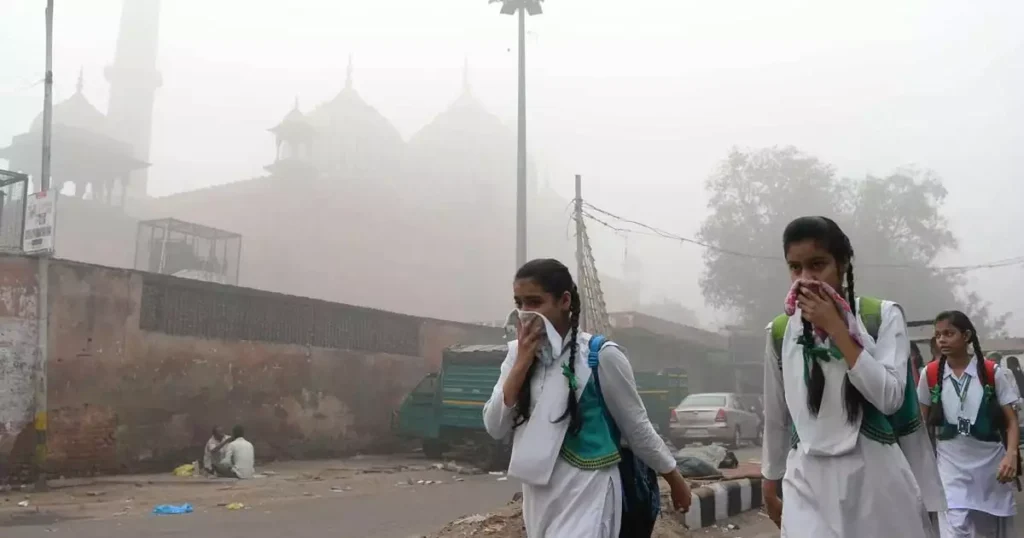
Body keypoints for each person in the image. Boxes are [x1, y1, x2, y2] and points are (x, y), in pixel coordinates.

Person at [482, 258, 691, 538]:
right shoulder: (515, 356)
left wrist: (674, 478)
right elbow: (495, 426)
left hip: (590, 489)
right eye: (519, 303)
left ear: (564, 300)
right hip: (538, 496)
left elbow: (636, 426)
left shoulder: (600, 355)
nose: (525, 313)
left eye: (535, 302)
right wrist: (521, 363)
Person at [761, 216, 936, 538]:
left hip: (875, 480)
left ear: (842, 264)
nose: (806, 278)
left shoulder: (881, 316)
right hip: (806, 479)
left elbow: (889, 398)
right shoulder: (780, 332)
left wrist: (838, 331)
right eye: (795, 268)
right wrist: (770, 479)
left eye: (817, 264)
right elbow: (776, 416)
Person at [918, 311, 1019, 537]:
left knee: (987, 532)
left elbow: (1011, 421)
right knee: (955, 529)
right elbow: (921, 422)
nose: (941, 339)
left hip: (990, 467)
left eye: (948, 333)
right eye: (938, 335)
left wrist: (1011, 454)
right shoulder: (931, 374)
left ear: (967, 336)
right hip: (950, 467)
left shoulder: (993, 373)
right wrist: (921, 463)